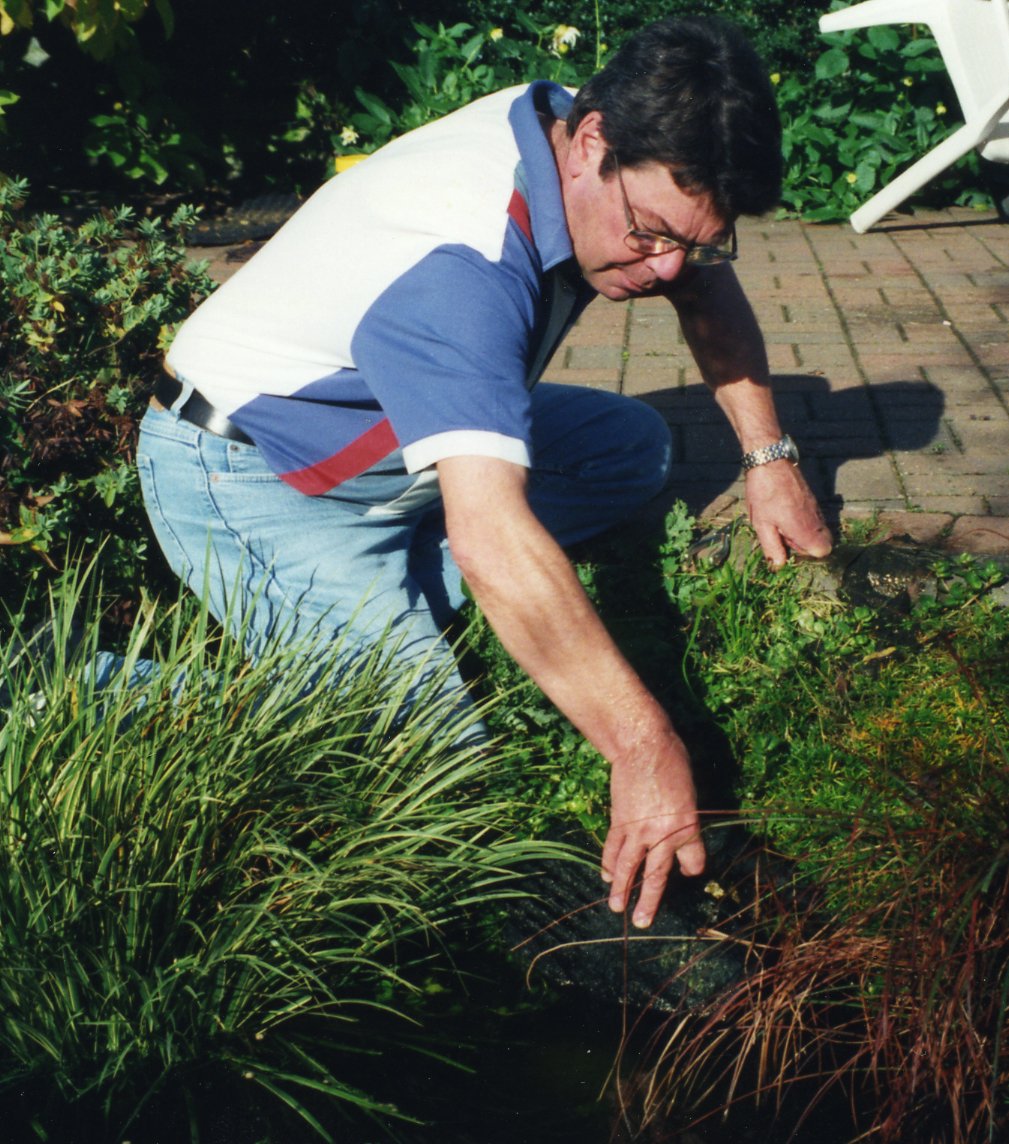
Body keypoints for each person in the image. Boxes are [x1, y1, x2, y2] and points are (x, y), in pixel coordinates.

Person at [137, 15, 832, 930]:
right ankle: (90, 689)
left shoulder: (566, 128)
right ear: (592, 144)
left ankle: (382, 614)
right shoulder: (461, 258)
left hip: (388, 440)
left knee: (631, 445)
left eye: (693, 241)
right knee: (441, 772)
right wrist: (641, 743)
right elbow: (493, 532)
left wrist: (767, 457)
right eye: (651, 233)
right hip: (256, 480)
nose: (666, 267)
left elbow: (697, 277)